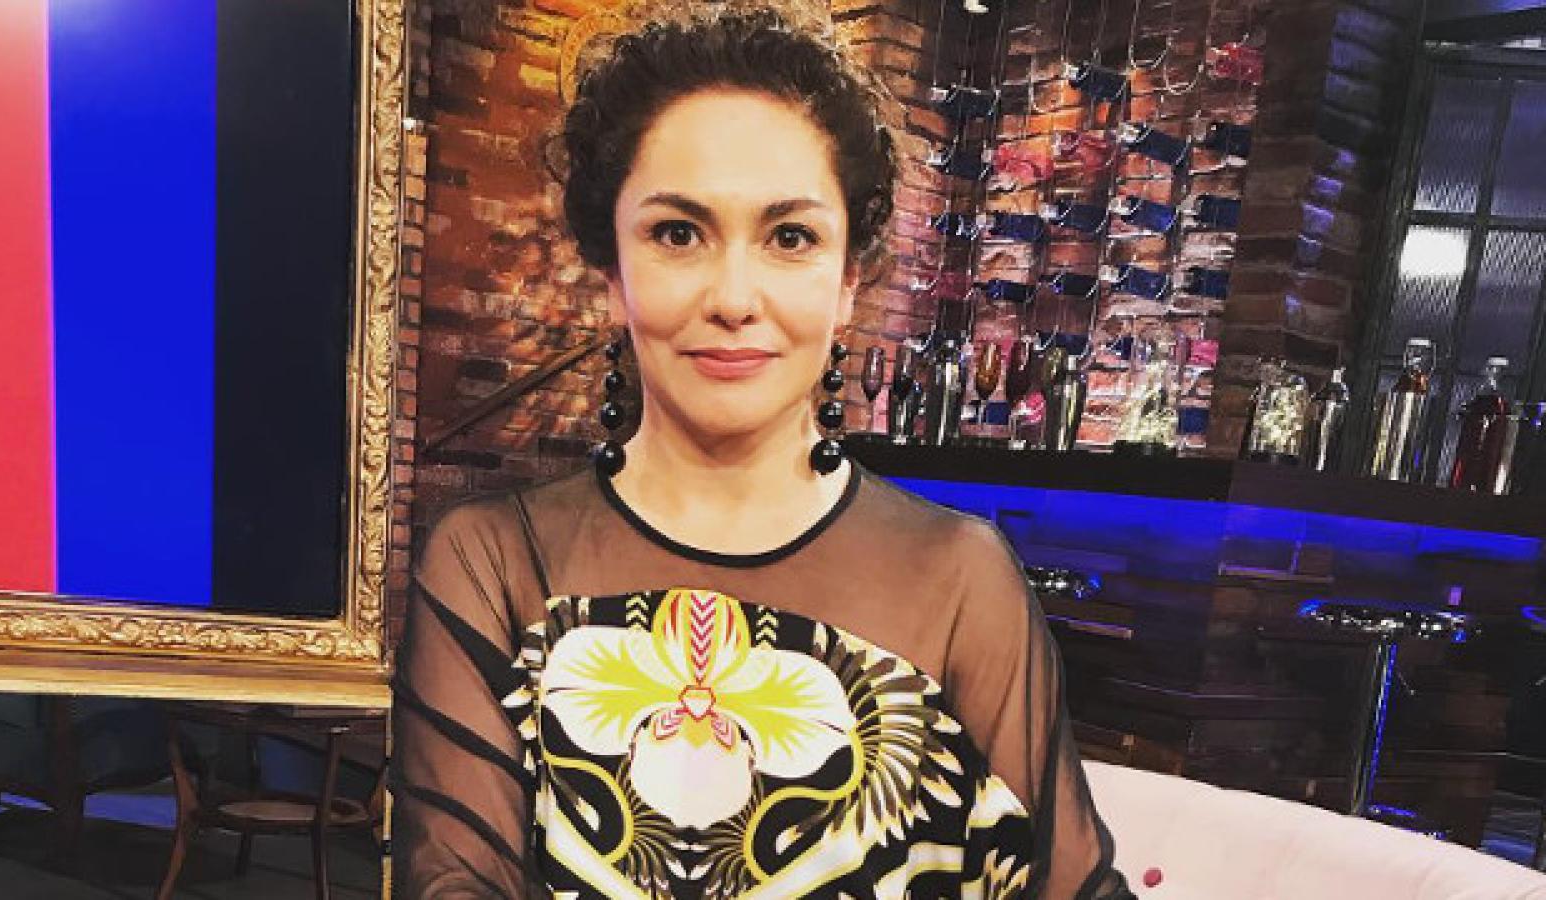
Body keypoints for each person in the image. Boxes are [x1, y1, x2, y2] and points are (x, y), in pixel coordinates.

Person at [390, 9, 1133, 898]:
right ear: (611, 273)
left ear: (848, 279)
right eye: (678, 233)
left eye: (789, 238)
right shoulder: (494, 565)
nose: (734, 298)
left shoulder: (957, 581)